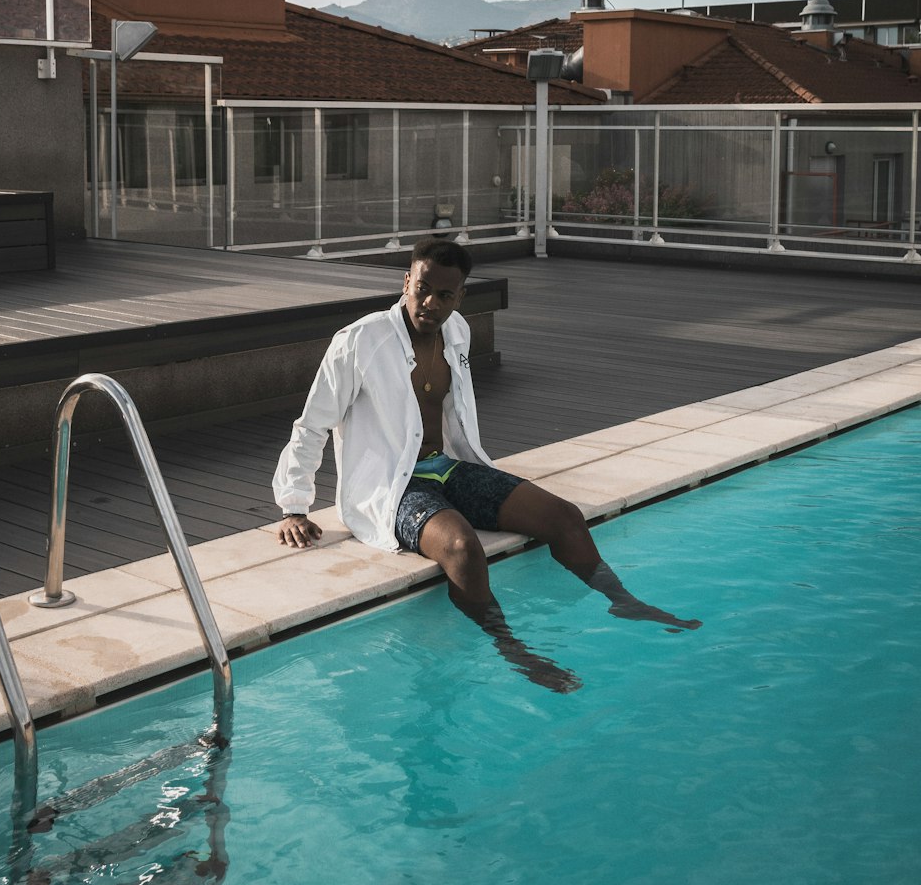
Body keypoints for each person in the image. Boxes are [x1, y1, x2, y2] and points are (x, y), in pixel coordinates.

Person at [274, 236, 700, 692]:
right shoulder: (360, 340)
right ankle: (511, 648)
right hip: (391, 487)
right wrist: (294, 505)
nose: (429, 303)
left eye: (444, 295)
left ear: (461, 297)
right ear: (406, 282)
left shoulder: (458, 331)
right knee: (461, 548)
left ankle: (621, 600)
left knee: (563, 516)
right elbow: (312, 423)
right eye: (421, 288)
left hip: (448, 466)